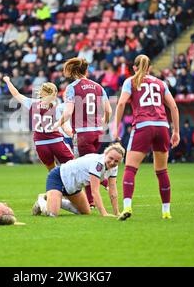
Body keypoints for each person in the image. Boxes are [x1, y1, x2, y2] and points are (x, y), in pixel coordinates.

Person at [113, 54, 180, 221]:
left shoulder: (131, 81)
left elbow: (121, 103)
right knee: (162, 171)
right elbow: (173, 106)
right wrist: (176, 131)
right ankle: (166, 211)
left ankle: (127, 206)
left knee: (130, 168)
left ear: (134, 68)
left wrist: (116, 126)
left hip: (143, 125)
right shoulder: (160, 83)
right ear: (149, 68)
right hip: (162, 126)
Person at [54, 57, 112, 207]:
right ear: (86, 71)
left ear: (73, 72)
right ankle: (96, 195)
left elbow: (67, 113)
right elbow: (109, 110)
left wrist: (57, 124)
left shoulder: (72, 88)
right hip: (98, 132)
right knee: (91, 163)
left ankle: (101, 190)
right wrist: (103, 123)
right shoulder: (98, 86)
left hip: (82, 133)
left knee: (84, 166)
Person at [32, 143, 125, 217]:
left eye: (116, 161)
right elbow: (95, 192)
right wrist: (104, 213)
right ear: (105, 154)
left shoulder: (114, 168)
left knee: (86, 212)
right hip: (58, 177)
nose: (113, 162)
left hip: (73, 187)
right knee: (52, 214)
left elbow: (112, 189)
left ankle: (52, 198)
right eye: (111, 158)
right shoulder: (98, 164)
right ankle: (41, 201)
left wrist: (117, 213)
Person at [3, 76, 74, 170]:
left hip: (40, 143)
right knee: (72, 166)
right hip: (56, 141)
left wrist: (8, 81)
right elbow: (64, 125)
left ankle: (56, 184)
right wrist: (72, 134)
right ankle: (67, 183)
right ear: (52, 94)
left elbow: (16, 94)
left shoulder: (32, 103)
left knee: (51, 170)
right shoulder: (56, 107)